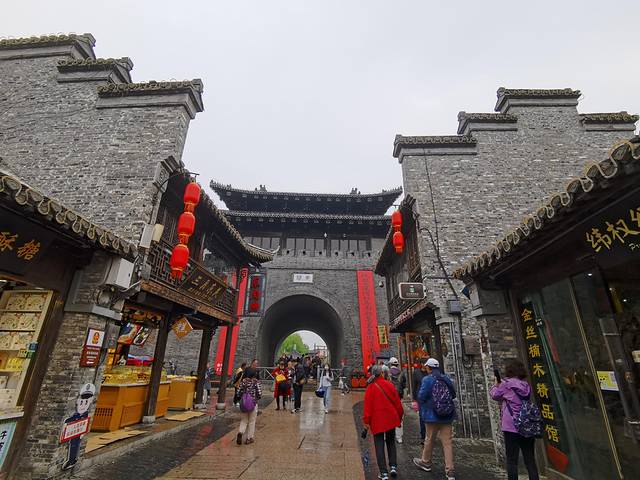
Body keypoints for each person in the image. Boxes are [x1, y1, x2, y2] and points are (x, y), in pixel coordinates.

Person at [490, 359, 540, 480]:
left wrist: (496, 384)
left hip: (511, 426)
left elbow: (494, 395)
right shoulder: (526, 385)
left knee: (512, 460)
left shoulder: (506, 384)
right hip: (526, 424)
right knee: (530, 459)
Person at [413, 358, 457, 480]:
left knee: (429, 439)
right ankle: (450, 470)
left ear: (429, 368)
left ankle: (425, 462)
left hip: (432, 416)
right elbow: (453, 394)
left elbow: (421, 396)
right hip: (447, 415)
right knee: (447, 442)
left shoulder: (427, 380)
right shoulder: (445, 378)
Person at [363, 365, 403, 480]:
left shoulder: (370, 388)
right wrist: (399, 417)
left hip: (377, 421)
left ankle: (383, 472)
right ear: (381, 373)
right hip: (390, 418)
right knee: (391, 442)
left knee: (379, 445)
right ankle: (393, 466)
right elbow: (397, 403)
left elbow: (367, 408)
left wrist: (366, 422)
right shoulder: (389, 385)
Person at [236, 367, 262, 445]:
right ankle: (249, 438)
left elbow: (238, 393)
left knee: (244, 420)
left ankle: (240, 432)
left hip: (244, 404)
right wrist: (255, 397)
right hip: (253, 404)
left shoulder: (243, 382)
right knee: (252, 421)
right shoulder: (256, 382)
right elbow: (259, 394)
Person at [388, 357, 407, 444]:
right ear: (397, 364)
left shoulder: (388, 373)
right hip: (399, 398)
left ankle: (388, 435)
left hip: (389, 398)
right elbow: (404, 385)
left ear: (390, 364)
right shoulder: (402, 373)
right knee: (399, 416)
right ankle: (399, 437)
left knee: (388, 416)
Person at [412, 361, 429, 444]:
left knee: (429, 417)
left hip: (429, 397)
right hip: (420, 398)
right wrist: (414, 398)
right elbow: (414, 386)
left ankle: (429, 435)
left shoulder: (430, 372)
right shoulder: (416, 373)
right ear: (422, 364)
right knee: (422, 417)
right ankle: (423, 435)